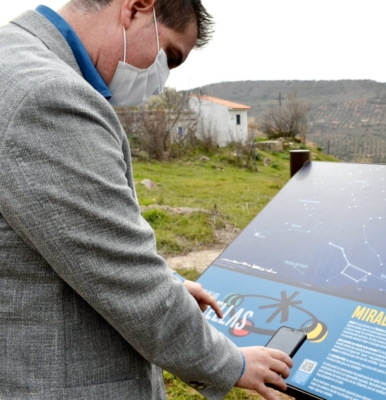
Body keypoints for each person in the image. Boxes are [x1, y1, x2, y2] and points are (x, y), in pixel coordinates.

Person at [0, 0, 292, 399]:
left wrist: (168, 282)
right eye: (169, 56)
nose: (162, 79)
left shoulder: (12, 61)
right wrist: (232, 362)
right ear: (136, 8)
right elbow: (121, 273)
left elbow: (57, 234)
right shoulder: (48, 94)